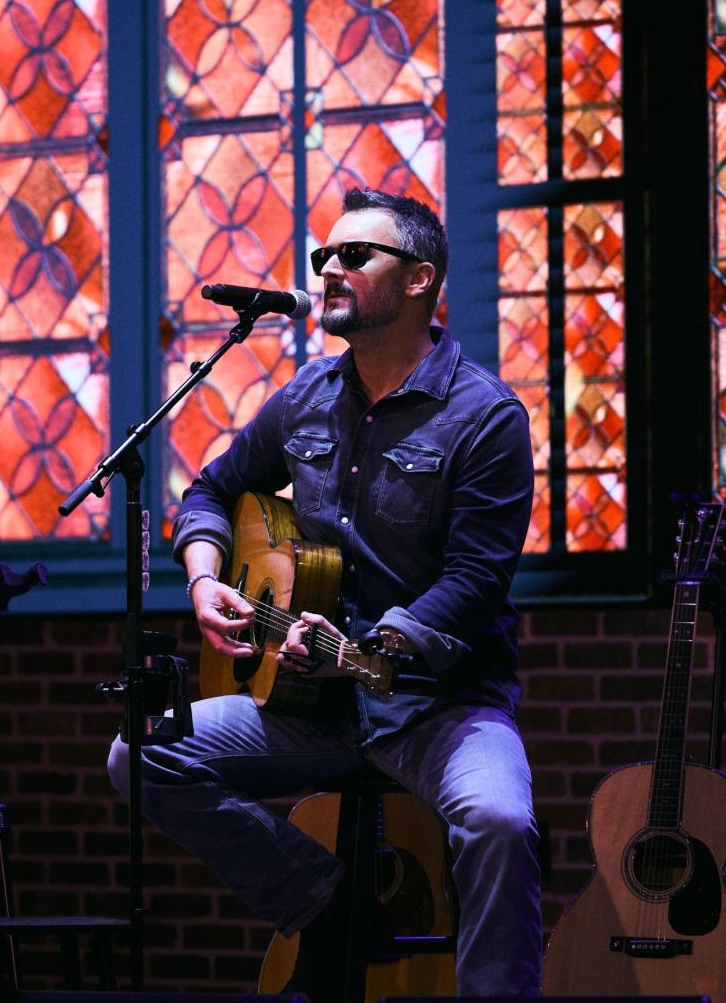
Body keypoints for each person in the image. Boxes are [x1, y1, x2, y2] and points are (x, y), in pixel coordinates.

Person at [108, 187, 542, 999]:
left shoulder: (485, 416)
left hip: (438, 706)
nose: (328, 269)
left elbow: (477, 580)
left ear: (419, 280)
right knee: (142, 753)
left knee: (500, 822)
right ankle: (326, 902)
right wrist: (205, 580)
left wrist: (378, 645)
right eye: (322, 258)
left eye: (353, 255)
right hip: (309, 704)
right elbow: (208, 491)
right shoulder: (304, 396)